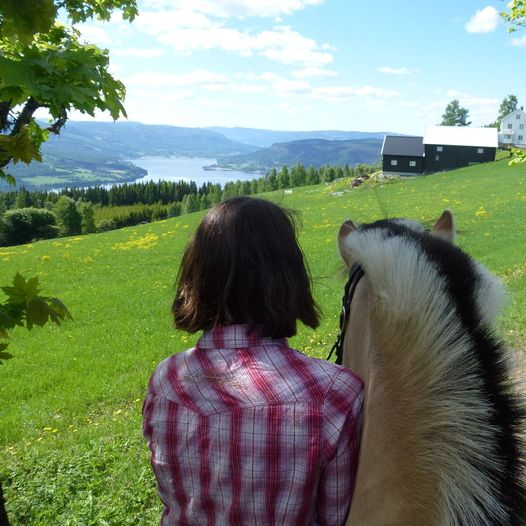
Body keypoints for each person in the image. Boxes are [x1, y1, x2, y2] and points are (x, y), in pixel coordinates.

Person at [143, 196, 364, 525]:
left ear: (196, 275)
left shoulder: (166, 381)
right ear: (290, 275)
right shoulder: (335, 396)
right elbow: (337, 519)